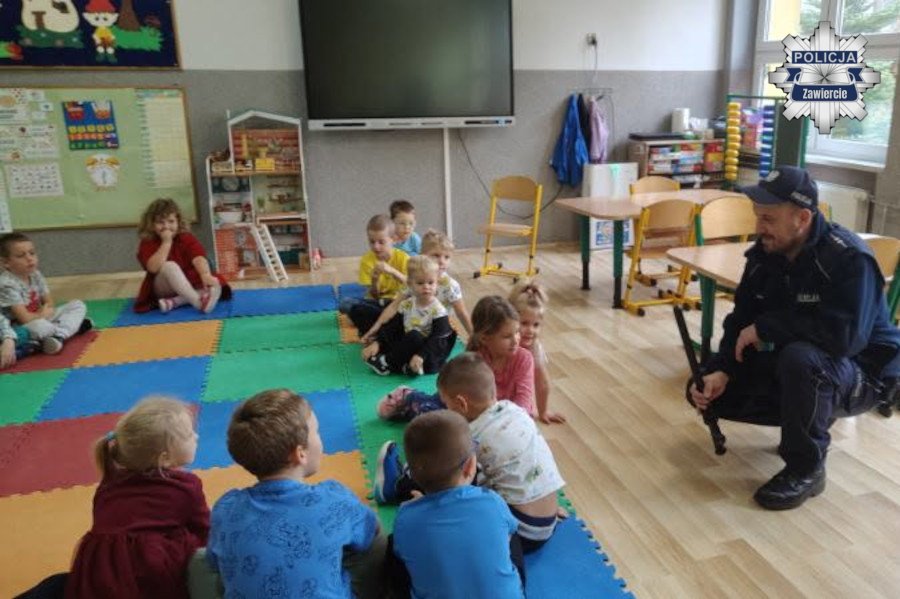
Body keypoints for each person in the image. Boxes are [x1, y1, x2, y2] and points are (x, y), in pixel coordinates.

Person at [688, 166, 900, 510]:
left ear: (802, 218)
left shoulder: (848, 258)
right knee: (705, 389)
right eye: (757, 216)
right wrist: (721, 369)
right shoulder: (764, 254)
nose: (759, 227)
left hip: (865, 371)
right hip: (812, 360)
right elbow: (741, 320)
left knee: (802, 359)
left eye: (768, 219)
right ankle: (809, 416)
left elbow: (845, 339)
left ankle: (806, 469)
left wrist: (768, 328)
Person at [376, 352, 565, 551]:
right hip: (546, 522)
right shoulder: (514, 410)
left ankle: (397, 485)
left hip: (517, 531)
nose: (447, 409)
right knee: (478, 468)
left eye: (447, 404)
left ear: (461, 404)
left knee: (446, 470)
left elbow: (444, 473)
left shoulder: (473, 434)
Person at [207, 389, 384, 599]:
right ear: (300, 453)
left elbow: (212, 561)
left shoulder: (226, 507)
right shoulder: (334, 499)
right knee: (375, 539)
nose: (320, 438)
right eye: (317, 431)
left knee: (225, 571)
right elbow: (371, 529)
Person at [65, 397, 209, 599]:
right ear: (165, 458)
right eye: (189, 434)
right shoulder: (186, 486)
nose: (196, 436)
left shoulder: (109, 483)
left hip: (98, 572)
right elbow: (205, 532)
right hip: (146, 574)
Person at [388, 410, 526, 599]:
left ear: (413, 476)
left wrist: (416, 509)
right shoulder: (492, 502)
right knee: (510, 530)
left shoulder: (406, 517)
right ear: (470, 466)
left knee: (395, 544)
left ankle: (395, 483)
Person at [377, 295, 535, 420]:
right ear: (485, 338)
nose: (516, 340)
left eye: (517, 332)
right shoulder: (475, 359)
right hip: (470, 410)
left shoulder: (524, 359)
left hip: (503, 417)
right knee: (436, 419)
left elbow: (524, 399)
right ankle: (409, 397)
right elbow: (459, 400)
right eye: (507, 336)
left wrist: (512, 421)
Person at [361, 255, 455, 376]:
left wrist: (421, 355)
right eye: (420, 283)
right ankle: (405, 366)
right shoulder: (407, 304)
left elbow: (438, 339)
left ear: (437, 283)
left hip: (428, 354)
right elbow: (392, 327)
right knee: (396, 331)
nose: (426, 287)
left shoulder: (439, 311)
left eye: (431, 282)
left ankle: (385, 363)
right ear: (410, 284)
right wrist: (378, 343)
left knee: (414, 336)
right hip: (410, 345)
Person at [134, 198, 231, 314]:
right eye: (160, 222)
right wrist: (166, 242)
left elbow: (198, 257)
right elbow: (153, 268)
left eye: (171, 221)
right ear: (151, 224)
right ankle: (198, 302)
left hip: (187, 283)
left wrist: (205, 275)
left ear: (178, 222)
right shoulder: (148, 241)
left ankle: (175, 301)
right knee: (170, 266)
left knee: (215, 284)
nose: (166, 226)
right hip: (163, 286)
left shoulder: (185, 237)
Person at [0, 233, 91, 355]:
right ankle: (68, 329)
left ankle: (58, 336)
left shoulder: (35, 274)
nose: (29, 258)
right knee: (42, 327)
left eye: (32, 253)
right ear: (6, 262)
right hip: (22, 327)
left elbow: (49, 304)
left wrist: (44, 314)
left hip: (41, 316)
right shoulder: (6, 284)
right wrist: (42, 315)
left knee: (78, 305)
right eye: (21, 256)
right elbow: (24, 319)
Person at [339, 214, 409, 335]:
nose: (376, 247)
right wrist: (374, 280)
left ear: (393, 239)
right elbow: (374, 296)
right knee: (345, 303)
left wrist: (393, 271)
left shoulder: (404, 258)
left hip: (397, 302)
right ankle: (385, 321)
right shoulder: (366, 261)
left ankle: (374, 321)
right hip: (377, 303)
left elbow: (412, 286)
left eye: (381, 242)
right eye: (372, 242)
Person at [509, 280, 566, 424]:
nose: (530, 330)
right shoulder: (503, 343)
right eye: (524, 323)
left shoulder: (534, 348)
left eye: (536, 325)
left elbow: (542, 382)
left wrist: (543, 411)